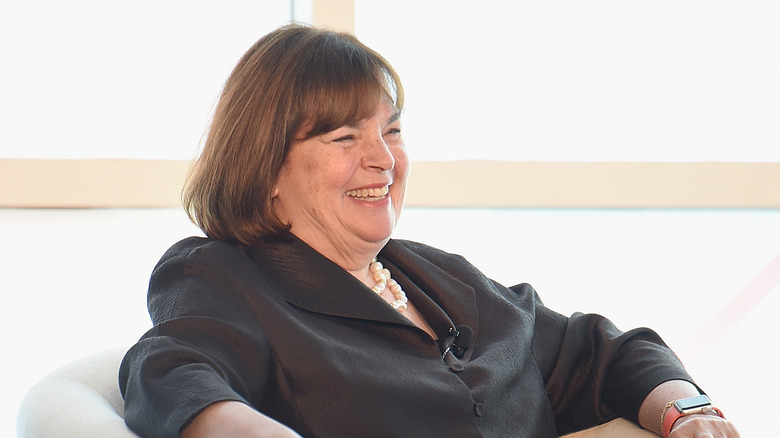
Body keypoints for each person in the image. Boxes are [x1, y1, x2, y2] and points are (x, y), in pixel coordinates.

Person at [118, 24, 740, 438]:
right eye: (344, 138)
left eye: (391, 130)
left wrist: (688, 411)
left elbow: (597, 351)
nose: (384, 160)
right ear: (268, 166)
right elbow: (172, 369)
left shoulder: (437, 275)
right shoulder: (223, 274)